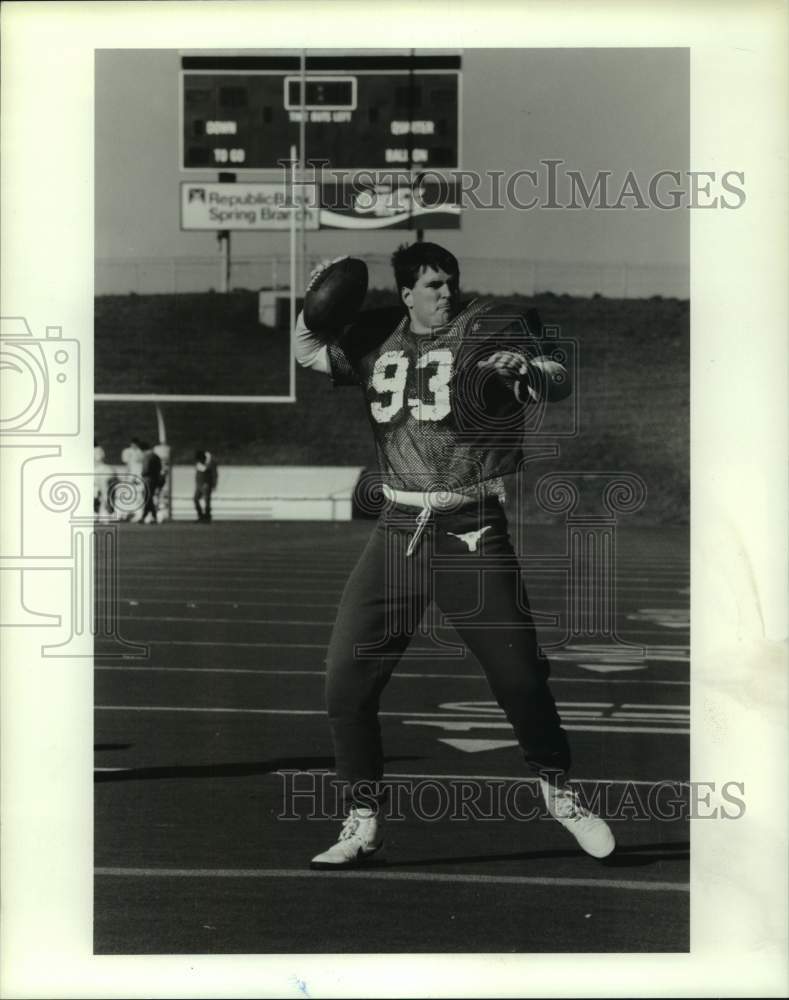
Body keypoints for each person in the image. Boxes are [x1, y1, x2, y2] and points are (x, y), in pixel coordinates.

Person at [296, 242, 615, 869]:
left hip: (471, 524)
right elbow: (309, 351)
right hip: (396, 528)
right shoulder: (374, 337)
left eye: (451, 282)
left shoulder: (490, 325)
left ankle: (558, 790)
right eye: (433, 285)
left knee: (520, 677)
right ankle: (362, 820)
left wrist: (529, 373)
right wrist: (310, 311)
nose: (446, 293)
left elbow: (556, 375)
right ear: (406, 292)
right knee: (344, 681)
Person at [139, 441, 163, 525]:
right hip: (155, 478)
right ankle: (149, 515)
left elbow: (145, 469)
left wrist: (142, 474)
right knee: (148, 498)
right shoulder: (156, 456)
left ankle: (148, 515)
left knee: (147, 497)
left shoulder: (147, 456)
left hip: (148, 479)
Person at [194, 450, 218, 522]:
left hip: (205, 485)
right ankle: (202, 516)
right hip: (200, 485)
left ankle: (206, 517)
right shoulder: (201, 463)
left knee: (206, 501)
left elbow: (214, 474)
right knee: (197, 499)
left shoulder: (209, 464)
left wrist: (213, 484)